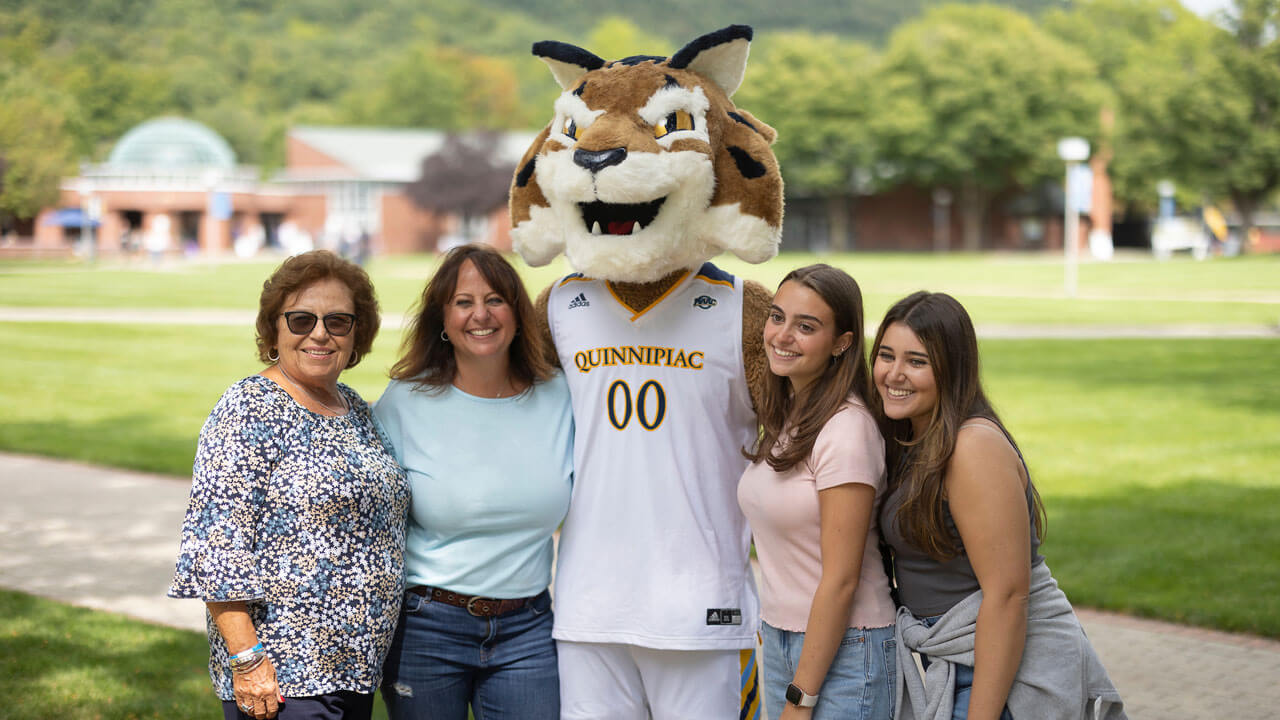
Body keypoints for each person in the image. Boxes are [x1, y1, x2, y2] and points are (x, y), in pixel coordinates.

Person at [170, 250, 410, 720]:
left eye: (338, 321)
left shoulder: (355, 408)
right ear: (274, 328)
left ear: (356, 333)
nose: (320, 333)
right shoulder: (247, 408)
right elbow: (217, 547)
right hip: (284, 680)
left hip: (353, 671)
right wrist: (248, 661)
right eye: (301, 319)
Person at [871, 292, 1126, 720]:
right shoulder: (911, 437)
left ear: (951, 370)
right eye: (885, 356)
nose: (895, 374)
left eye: (917, 361)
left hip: (1002, 668)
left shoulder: (972, 446)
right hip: (955, 657)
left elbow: (1008, 596)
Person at [374, 244, 573, 720]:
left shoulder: (561, 396)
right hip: (427, 627)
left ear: (518, 313)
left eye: (495, 300)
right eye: (463, 302)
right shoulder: (405, 402)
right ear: (442, 319)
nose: (480, 314)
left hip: (527, 627)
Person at [738, 265, 897, 720]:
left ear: (842, 343)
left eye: (806, 327)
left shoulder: (846, 430)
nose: (782, 336)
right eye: (777, 317)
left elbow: (842, 579)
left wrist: (801, 698)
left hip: (848, 648)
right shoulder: (790, 413)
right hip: (783, 637)